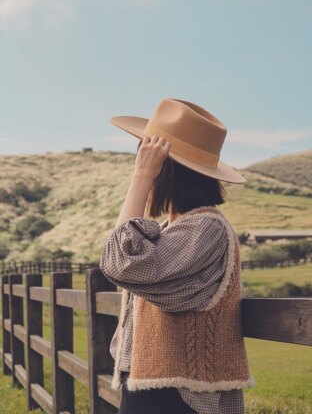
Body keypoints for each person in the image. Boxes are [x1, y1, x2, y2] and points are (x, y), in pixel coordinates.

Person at [100, 98, 255, 414]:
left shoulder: (205, 228)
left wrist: (140, 178)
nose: (141, 163)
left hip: (177, 393)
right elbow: (120, 254)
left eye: (147, 158)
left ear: (165, 169)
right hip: (153, 383)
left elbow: (119, 261)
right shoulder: (171, 230)